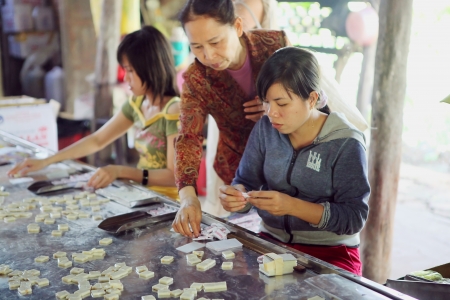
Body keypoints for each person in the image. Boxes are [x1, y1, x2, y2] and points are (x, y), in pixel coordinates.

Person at [219, 47, 370, 275]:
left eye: (282, 104)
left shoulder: (345, 143)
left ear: (312, 99)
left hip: (331, 252)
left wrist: (291, 206)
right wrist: (237, 196)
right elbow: (245, 180)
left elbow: (354, 217)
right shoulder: (265, 130)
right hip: (270, 244)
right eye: (266, 102)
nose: (271, 113)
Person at [8, 26, 181, 200]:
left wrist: (121, 171)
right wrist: (46, 161)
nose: (126, 78)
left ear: (149, 68)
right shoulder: (137, 104)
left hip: (168, 202)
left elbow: (174, 176)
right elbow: (97, 140)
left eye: (130, 71)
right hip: (144, 196)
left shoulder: (173, 110)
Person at [205, 0, 279, 218]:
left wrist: (270, 105)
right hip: (227, 140)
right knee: (225, 204)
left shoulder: (272, 43)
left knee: (265, 208)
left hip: (268, 137)